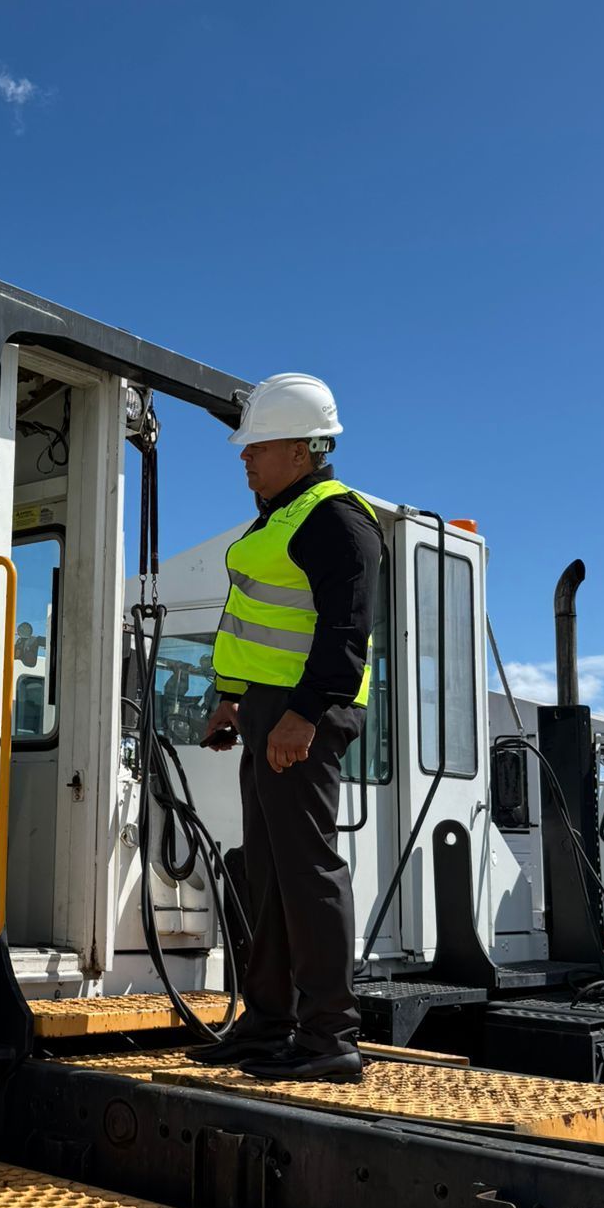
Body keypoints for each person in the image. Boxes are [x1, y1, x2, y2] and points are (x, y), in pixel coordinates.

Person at [196, 373, 381, 1082]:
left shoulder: (335, 518)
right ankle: (269, 1025)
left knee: (307, 871)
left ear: (302, 452)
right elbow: (258, 621)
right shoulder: (281, 515)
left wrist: (305, 714)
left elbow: (346, 630)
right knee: (268, 873)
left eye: (256, 449)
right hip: (269, 711)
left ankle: (330, 1037)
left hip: (305, 713)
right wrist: (233, 700)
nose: (244, 459)